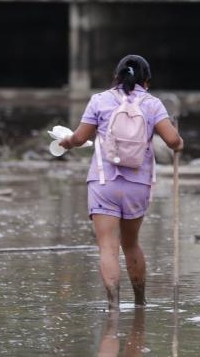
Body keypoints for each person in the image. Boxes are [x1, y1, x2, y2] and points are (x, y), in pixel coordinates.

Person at [59, 54, 183, 309]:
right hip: (138, 185)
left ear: (116, 77)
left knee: (108, 247)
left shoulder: (100, 100)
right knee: (131, 244)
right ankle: (139, 302)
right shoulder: (152, 104)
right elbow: (173, 142)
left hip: (104, 183)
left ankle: (114, 305)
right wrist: (179, 141)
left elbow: (80, 138)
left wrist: (67, 142)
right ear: (146, 81)